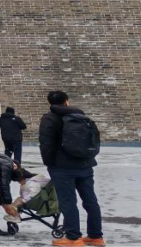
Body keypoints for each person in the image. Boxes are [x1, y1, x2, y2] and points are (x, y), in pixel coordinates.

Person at [39, 91, 104, 247]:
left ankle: (73, 238)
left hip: (62, 167)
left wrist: (49, 163)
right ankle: (96, 236)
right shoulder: (81, 116)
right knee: (90, 200)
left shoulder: (49, 118)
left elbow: (46, 144)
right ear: (67, 101)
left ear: (49, 102)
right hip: (85, 164)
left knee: (68, 201)